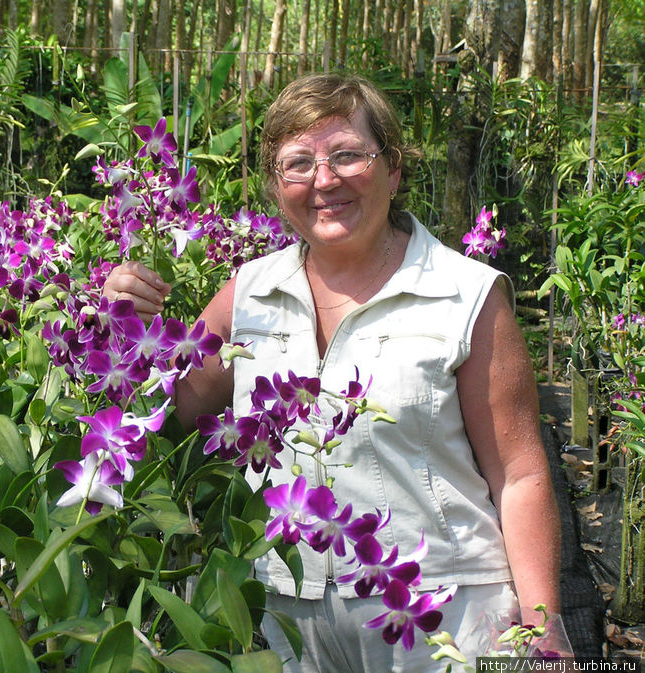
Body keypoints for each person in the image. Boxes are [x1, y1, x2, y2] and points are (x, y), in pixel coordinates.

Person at [102, 73, 562, 672]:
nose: (324, 179)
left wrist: (543, 633)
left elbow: (521, 476)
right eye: (298, 163)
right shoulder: (249, 294)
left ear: (393, 169)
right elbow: (172, 418)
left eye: (347, 154)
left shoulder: (466, 296)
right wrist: (119, 323)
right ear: (277, 185)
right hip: (281, 613)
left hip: (439, 611)